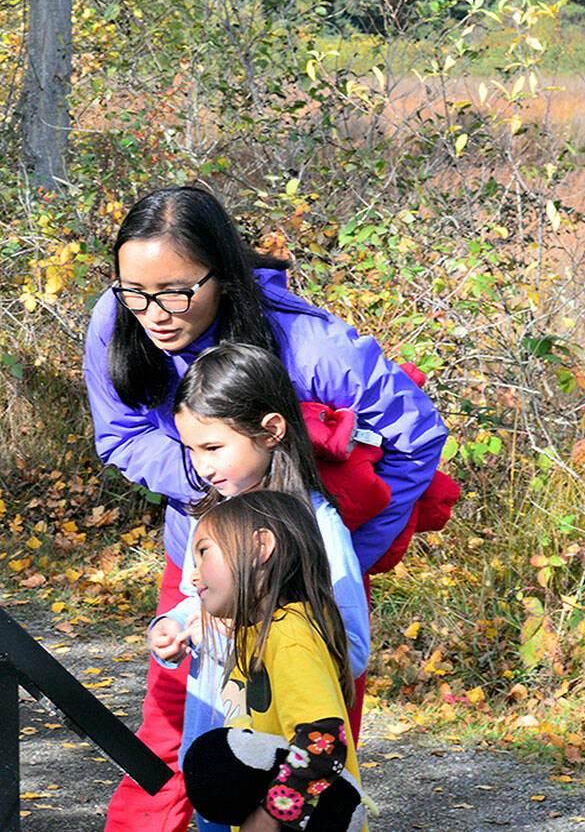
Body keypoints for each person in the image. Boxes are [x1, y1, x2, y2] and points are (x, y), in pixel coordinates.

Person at [84, 186, 448, 831]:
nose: (152, 313)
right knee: (181, 733)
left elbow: (416, 437)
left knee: (293, 736)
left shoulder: (312, 346)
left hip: (300, 567)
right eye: (132, 292)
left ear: (221, 276)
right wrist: (214, 506)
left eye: (174, 292)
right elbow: (120, 438)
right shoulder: (119, 319)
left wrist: (323, 552)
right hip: (211, 564)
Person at [148, 343, 370, 832]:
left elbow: (349, 649)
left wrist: (278, 638)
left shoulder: (318, 526)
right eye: (191, 449)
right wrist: (177, 624)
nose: (201, 465)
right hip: (227, 757)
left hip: (284, 791)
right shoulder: (214, 512)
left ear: (270, 431)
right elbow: (203, 597)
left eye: (213, 447)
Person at [178, 490, 366, 832]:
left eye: (203, 552)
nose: (193, 575)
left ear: (260, 548)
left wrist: (271, 816)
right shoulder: (255, 635)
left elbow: (322, 740)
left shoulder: (290, 634)